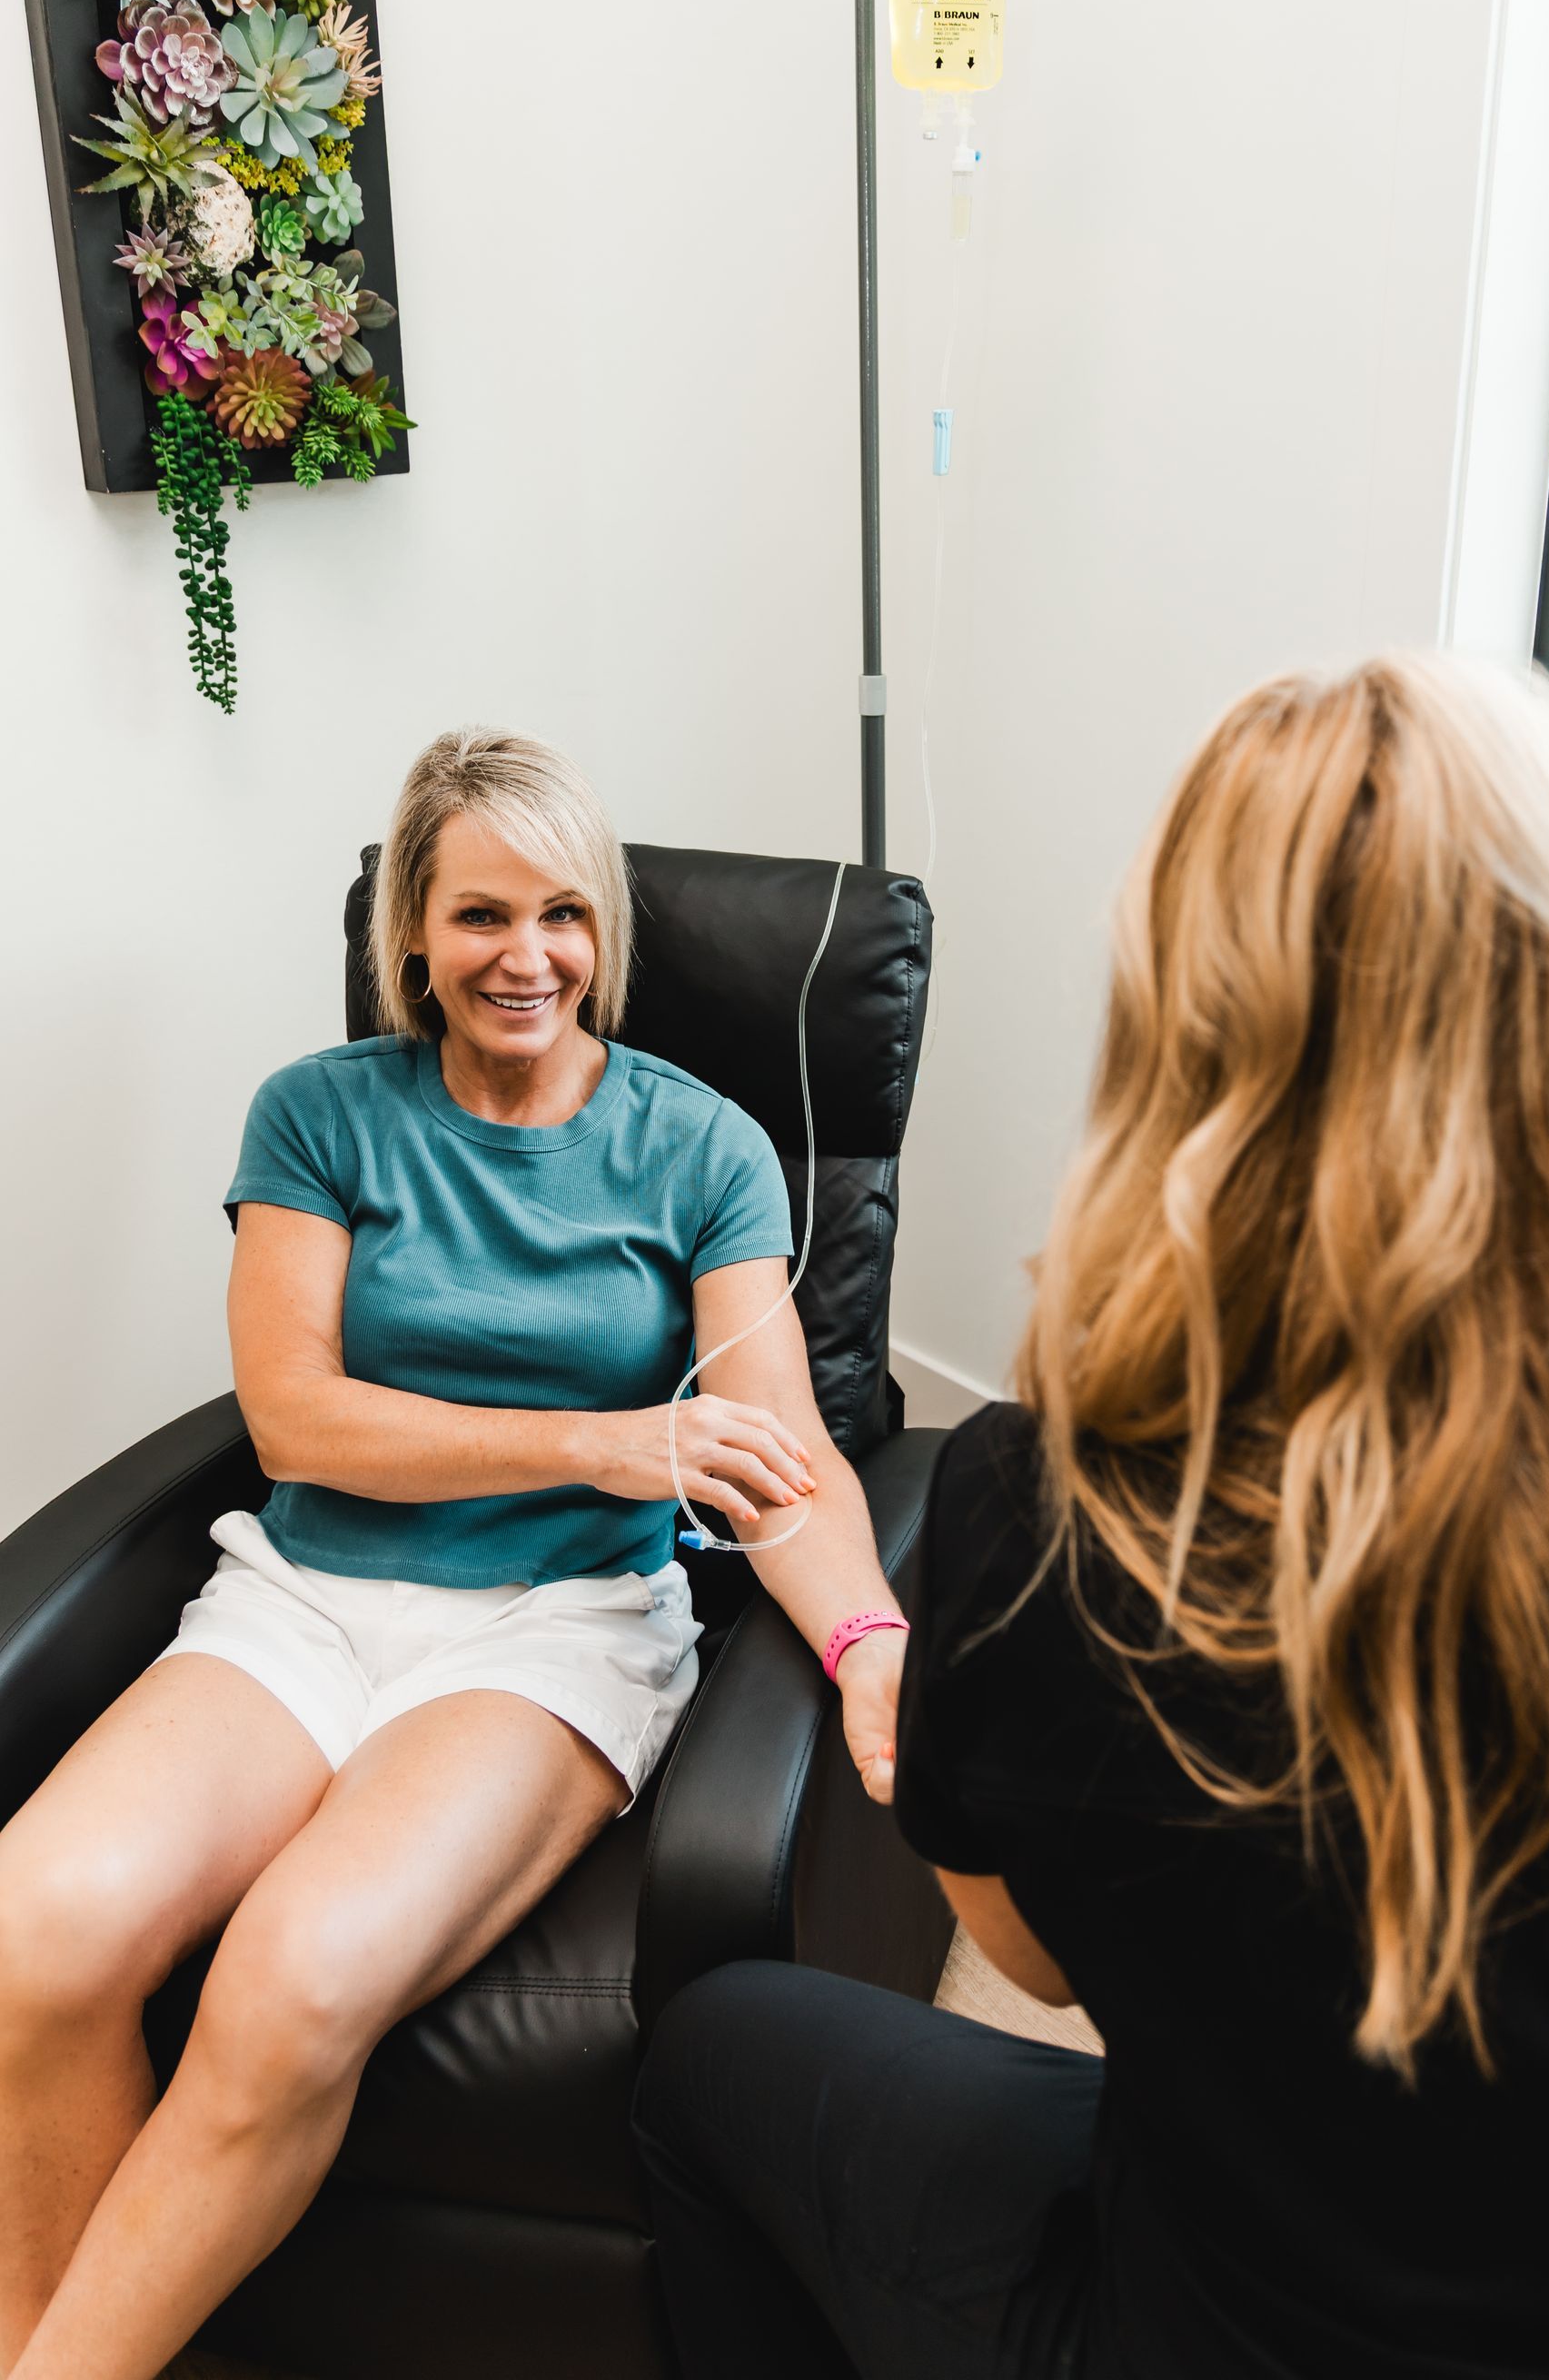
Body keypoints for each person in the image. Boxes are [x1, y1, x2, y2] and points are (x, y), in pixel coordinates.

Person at [633, 654, 1549, 2380]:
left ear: (1189, 1033)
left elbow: (1037, 1969)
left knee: (713, 2060)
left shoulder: (1040, 1508)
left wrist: (950, 1746)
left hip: (1193, 2325)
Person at [0, 726, 912, 2380]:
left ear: (606, 935)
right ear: (410, 933)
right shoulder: (320, 1116)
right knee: (29, 1933)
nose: (529, 957)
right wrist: (611, 1440)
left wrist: (869, 1645)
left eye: (566, 915)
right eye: (483, 914)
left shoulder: (701, 1148)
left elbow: (781, 1468)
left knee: (287, 1984)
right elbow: (297, 1422)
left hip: (555, 1632)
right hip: (305, 1603)